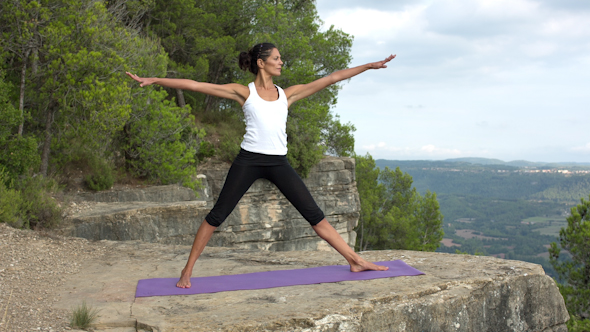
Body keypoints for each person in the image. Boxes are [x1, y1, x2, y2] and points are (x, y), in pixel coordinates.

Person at [126, 43, 396, 288]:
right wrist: (156, 80)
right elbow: (195, 85)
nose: (281, 62)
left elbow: (332, 77)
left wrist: (369, 67)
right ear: (261, 62)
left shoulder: (286, 95)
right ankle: (186, 271)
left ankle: (354, 260)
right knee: (217, 215)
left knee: (314, 214)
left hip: (278, 162)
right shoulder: (244, 92)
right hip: (249, 160)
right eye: (276, 58)